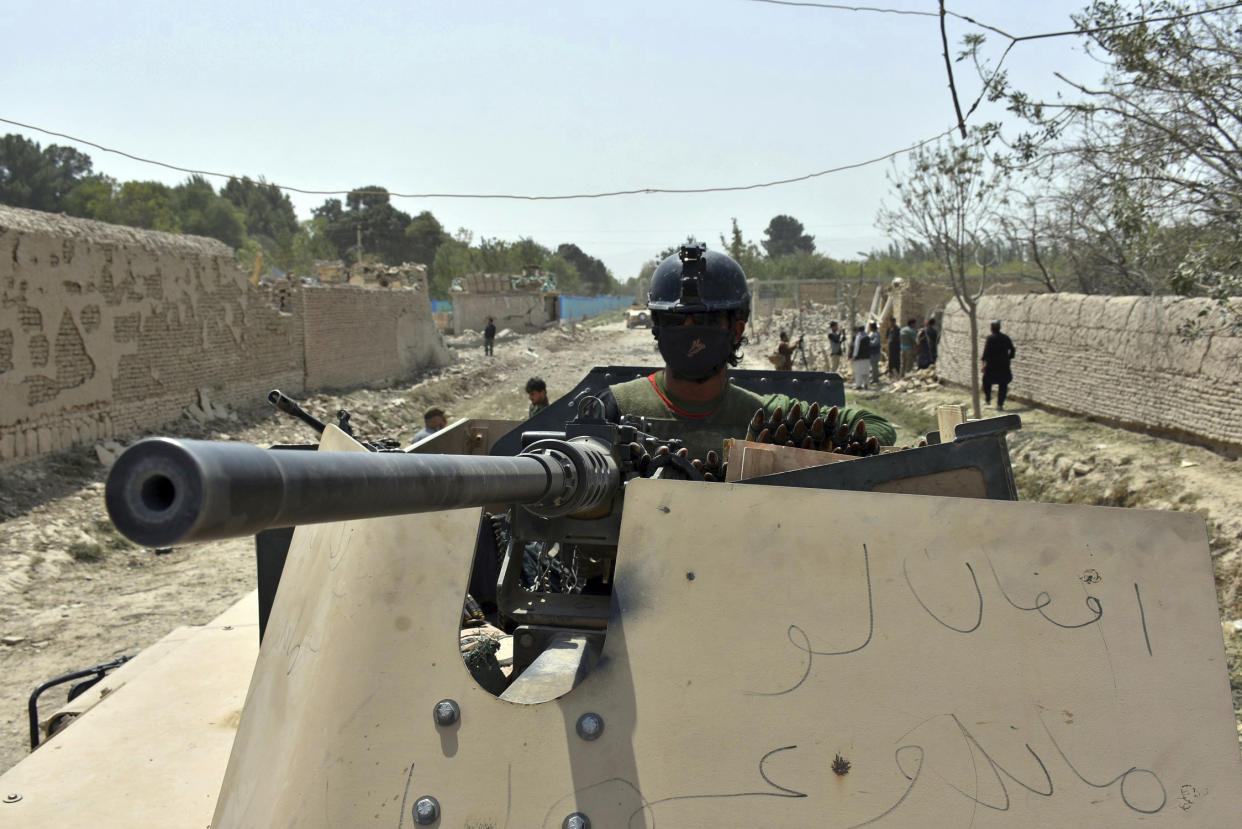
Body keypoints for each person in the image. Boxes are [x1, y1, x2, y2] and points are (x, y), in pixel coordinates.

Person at [594, 244, 894, 460]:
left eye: (704, 320)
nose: (690, 331)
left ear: (736, 330)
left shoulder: (766, 415)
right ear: (657, 327)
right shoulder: (614, 408)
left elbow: (879, 427)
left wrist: (824, 447)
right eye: (674, 321)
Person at [981, 320, 1017, 410]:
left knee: (986, 382)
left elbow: (986, 352)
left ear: (991, 329)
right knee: (1003, 384)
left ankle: (988, 399)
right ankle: (1000, 404)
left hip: (991, 365)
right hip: (1003, 365)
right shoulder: (1005, 338)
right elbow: (1012, 349)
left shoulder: (990, 338)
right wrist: (1009, 358)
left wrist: (983, 364)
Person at [851, 324, 872, 390]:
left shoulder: (859, 336)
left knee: (858, 372)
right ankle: (866, 385)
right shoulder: (867, 336)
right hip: (867, 357)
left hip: (859, 358)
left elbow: (856, 347)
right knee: (866, 372)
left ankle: (858, 385)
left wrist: (854, 356)